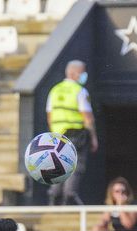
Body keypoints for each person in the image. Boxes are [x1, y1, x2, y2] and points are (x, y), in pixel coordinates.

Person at [45, 59, 97, 206]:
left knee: (57, 165)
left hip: (57, 135)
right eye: (82, 72)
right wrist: (93, 137)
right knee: (75, 166)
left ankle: (54, 195)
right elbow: (87, 117)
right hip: (76, 134)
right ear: (73, 73)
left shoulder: (54, 90)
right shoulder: (80, 91)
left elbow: (49, 116)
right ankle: (69, 196)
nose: (84, 75)